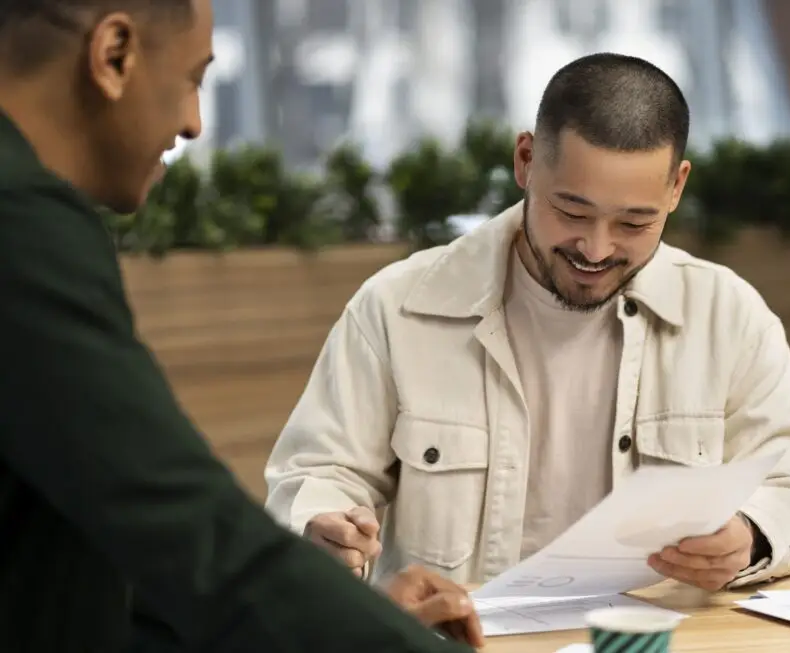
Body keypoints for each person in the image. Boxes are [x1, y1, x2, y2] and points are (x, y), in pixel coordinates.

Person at [0, 1, 482, 651]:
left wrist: (344, 616)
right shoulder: (22, 228)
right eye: (194, 78)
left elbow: (103, 550)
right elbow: (191, 533)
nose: (195, 123)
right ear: (113, 54)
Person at [265, 52, 790, 592]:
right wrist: (323, 527)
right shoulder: (396, 307)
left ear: (677, 186)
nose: (595, 247)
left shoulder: (730, 318)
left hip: (649, 642)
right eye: (572, 212)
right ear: (525, 160)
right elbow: (316, 476)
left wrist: (749, 538)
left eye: (634, 223)